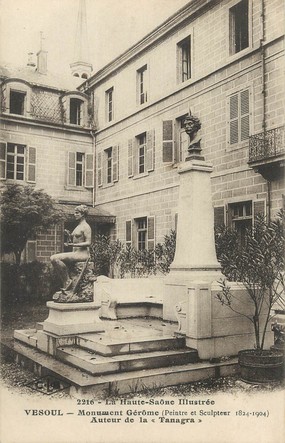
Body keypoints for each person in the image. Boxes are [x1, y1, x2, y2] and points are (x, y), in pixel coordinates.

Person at [50, 205, 92, 290]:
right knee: (54, 258)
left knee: (54, 258)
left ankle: (67, 281)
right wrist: (68, 235)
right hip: (75, 253)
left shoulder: (86, 227)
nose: (74, 215)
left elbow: (88, 242)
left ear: (83, 214)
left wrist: (73, 245)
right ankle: (67, 281)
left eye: (77, 213)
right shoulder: (78, 226)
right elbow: (76, 239)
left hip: (82, 254)